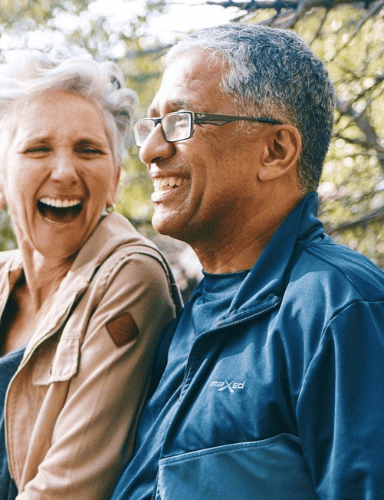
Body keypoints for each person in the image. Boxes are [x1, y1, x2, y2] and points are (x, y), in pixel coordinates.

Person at [111, 23, 384, 500]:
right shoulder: (189, 312)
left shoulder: (339, 308)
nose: (151, 150)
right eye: (151, 125)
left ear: (275, 150)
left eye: (180, 122)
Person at [0, 48, 181, 500]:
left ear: (113, 179)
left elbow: (68, 488)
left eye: (88, 150)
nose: (65, 171)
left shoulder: (130, 278)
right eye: (37, 149)